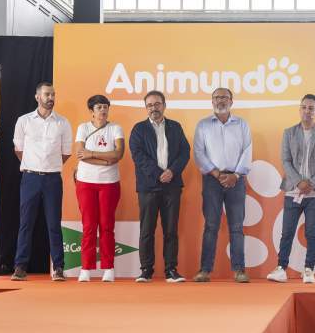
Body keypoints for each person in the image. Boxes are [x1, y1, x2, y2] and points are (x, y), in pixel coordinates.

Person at [12, 82, 72, 282]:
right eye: (47, 94)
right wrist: (34, 165)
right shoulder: (24, 121)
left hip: (53, 179)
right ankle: (20, 267)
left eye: (53, 94)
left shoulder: (63, 123)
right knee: (26, 223)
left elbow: (66, 152)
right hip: (30, 178)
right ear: (37, 97)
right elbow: (18, 149)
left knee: (54, 224)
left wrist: (49, 166)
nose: (51, 98)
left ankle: (59, 268)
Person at [267, 94, 315, 284]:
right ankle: (281, 268)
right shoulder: (289, 133)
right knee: (287, 232)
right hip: (292, 191)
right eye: (304, 107)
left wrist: (311, 183)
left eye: (311, 108)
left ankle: (309, 270)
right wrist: (298, 182)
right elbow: (285, 160)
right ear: (299, 109)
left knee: (312, 233)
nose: (307, 111)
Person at [129, 91, 190, 283]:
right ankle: (146, 270)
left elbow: (185, 152)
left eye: (157, 104)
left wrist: (172, 171)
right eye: (149, 105)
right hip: (148, 187)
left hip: (172, 186)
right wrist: (158, 174)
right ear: (145, 108)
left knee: (171, 230)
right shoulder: (139, 129)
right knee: (147, 230)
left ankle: (171, 270)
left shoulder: (175, 127)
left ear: (164, 105)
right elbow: (137, 155)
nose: (153, 108)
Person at [193, 87, 252, 283]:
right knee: (211, 226)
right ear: (212, 102)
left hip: (236, 180)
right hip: (212, 180)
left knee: (237, 226)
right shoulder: (203, 125)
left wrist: (236, 175)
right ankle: (204, 270)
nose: (220, 101)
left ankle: (239, 270)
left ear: (231, 101)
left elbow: (247, 150)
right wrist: (216, 173)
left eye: (224, 97)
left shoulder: (242, 124)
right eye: (217, 98)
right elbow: (199, 153)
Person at [74, 95, 125, 283]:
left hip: (109, 183)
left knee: (107, 226)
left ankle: (108, 267)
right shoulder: (83, 128)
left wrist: (92, 153)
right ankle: (86, 268)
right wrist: (105, 160)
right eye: (99, 107)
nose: (103, 110)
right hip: (86, 182)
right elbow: (81, 154)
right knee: (89, 226)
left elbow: (118, 154)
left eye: (105, 107)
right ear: (92, 111)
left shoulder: (116, 128)